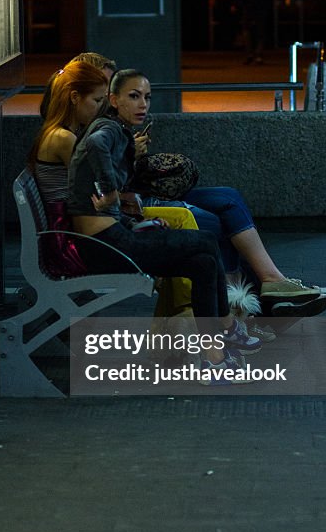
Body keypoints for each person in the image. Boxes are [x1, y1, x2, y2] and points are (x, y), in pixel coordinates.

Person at [67, 68, 265, 381]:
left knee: (201, 260)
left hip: (115, 236)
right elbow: (94, 146)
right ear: (113, 99)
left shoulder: (118, 130)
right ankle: (225, 331)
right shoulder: (107, 129)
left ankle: (214, 352)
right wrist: (111, 193)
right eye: (133, 97)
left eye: (146, 97)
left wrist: (131, 218)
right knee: (205, 242)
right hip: (106, 246)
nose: (142, 104)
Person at [28, 61, 201, 322]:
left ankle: (181, 322)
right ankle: (188, 320)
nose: (102, 108)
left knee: (183, 232)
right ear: (75, 98)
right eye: (97, 100)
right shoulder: (65, 139)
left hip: (78, 225)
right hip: (74, 239)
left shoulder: (66, 134)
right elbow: (95, 188)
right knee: (184, 232)